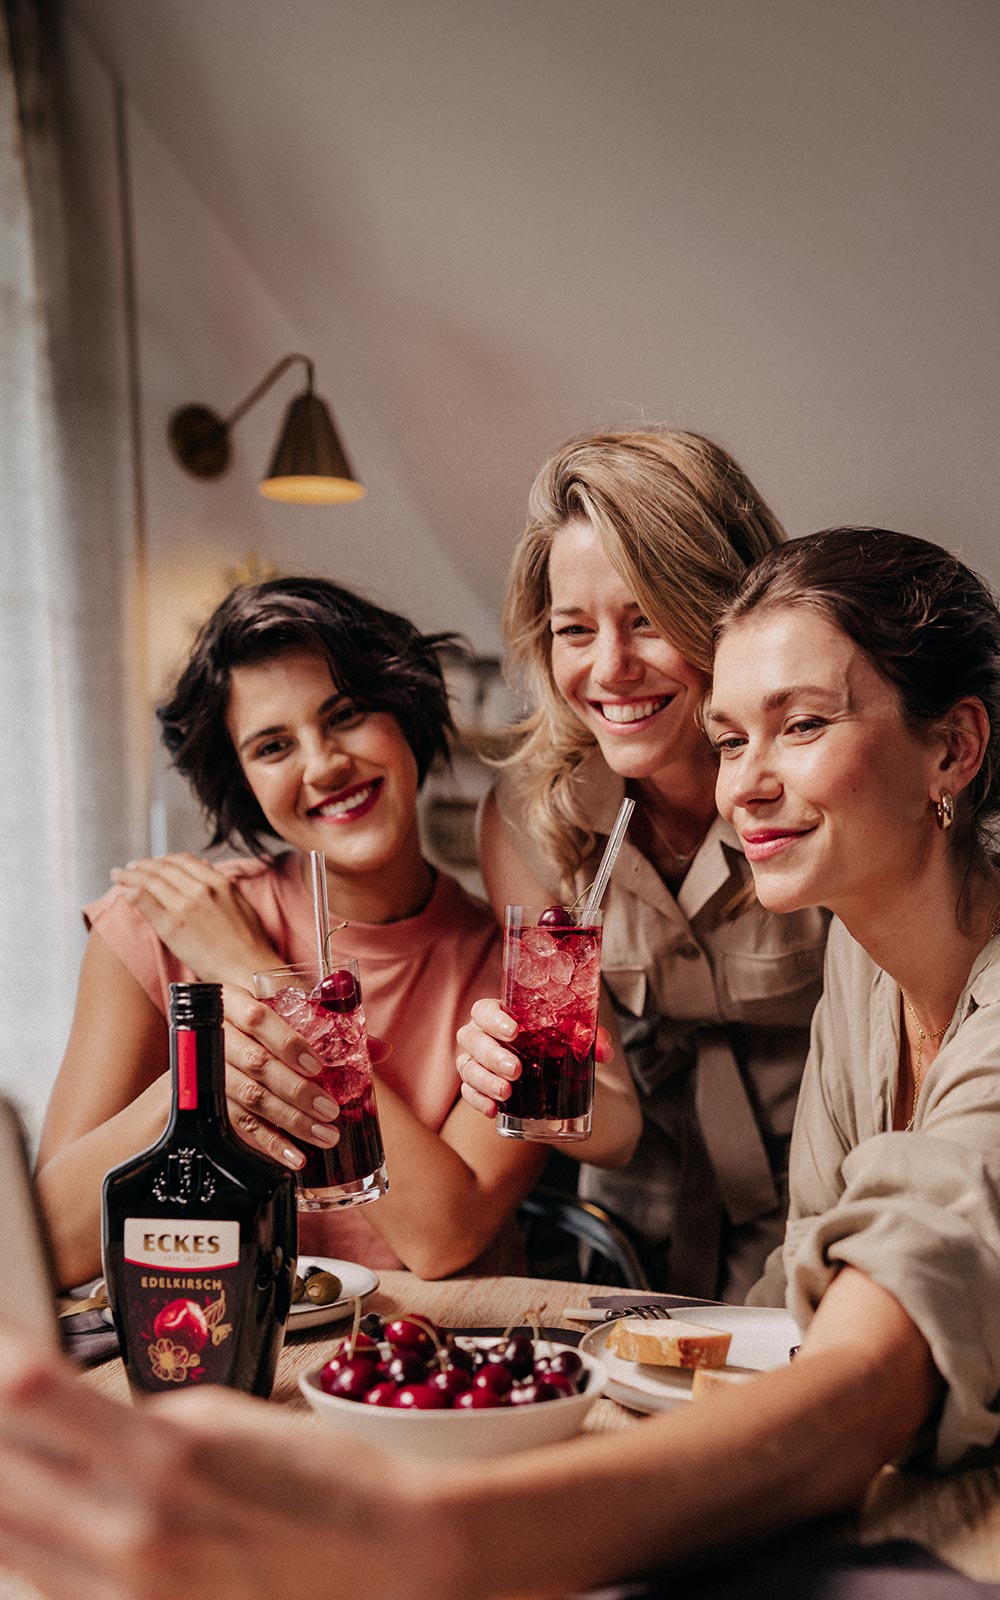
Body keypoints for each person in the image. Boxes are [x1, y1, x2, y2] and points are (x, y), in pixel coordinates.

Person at [5, 525, 1000, 1600]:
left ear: (952, 748)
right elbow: (810, 1303)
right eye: (727, 741)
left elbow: (862, 1376)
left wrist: (415, 1540)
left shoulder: (510, 950)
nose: (742, 787)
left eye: (801, 725)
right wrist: (196, 1092)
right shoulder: (863, 960)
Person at [35, 577, 639, 1290]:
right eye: (272, 746)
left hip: (433, 1364)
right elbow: (45, 1250)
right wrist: (194, 1093)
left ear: (406, 710)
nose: (323, 765)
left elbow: (444, 1236)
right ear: (243, 781)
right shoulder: (156, 927)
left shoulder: (511, 970)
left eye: (346, 714)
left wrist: (252, 973)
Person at [457, 428, 829, 1299]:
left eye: (648, 620)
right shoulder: (528, 818)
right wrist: (532, 1082)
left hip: (828, 1224)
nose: (610, 669)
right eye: (573, 630)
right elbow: (613, 1123)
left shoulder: (822, 789)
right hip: (632, 1245)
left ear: (730, 610)